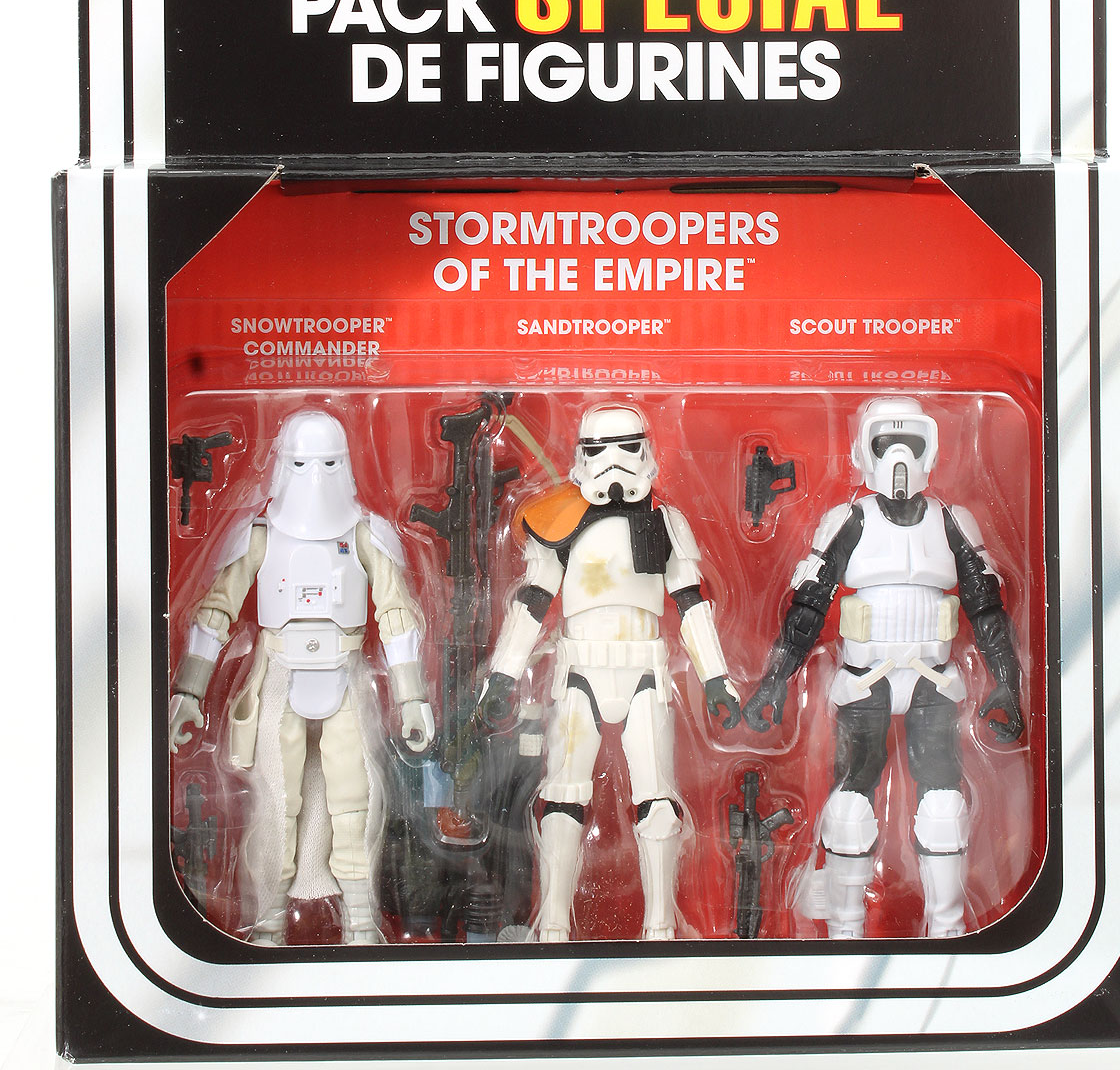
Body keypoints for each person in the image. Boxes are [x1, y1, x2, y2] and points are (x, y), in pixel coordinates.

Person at [745, 395, 1024, 938]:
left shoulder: (951, 521)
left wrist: (1007, 681)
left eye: (911, 442)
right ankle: (844, 931)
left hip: (932, 680)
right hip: (864, 680)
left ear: (931, 449)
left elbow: (987, 607)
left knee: (943, 804)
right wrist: (776, 680)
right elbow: (808, 606)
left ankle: (946, 931)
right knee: (851, 804)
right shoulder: (849, 521)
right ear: (862, 452)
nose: (899, 456)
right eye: (885, 442)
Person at [477, 403, 741, 941]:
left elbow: (691, 603)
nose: (613, 462)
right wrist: (503, 674)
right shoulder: (561, 519)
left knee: (658, 802)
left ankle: (660, 930)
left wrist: (717, 677)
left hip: (645, 672)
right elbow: (532, 600)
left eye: (626, 448)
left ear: (645, 452)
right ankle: (553, 926)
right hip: (580, 672)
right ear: (581, 456)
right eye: (599, 450)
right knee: (563, 799)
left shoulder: (665, 521)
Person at [169, 409, 434, 944]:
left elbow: (397, 615)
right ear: (283, 465)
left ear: (345, 464)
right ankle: (268, 921)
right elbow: (215, 612)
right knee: (276, 799)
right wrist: (189, 690)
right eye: (303, 463)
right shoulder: (260, 534)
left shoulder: (365, 533)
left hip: (346, 673)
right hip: (277, 675)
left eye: (328, 463)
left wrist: (411, 698)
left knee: (355, 799)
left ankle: (360, 920)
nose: (316, 476)